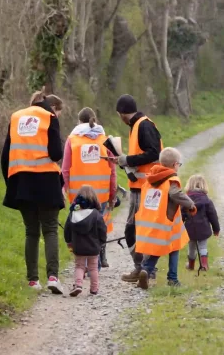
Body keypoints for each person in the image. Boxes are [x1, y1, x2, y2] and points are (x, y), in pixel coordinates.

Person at [0, 90, 66, 294]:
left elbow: (5, 156)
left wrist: (10, 182)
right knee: (50, 229)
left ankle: (32, 281)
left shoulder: (16, 117)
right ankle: (53, 277)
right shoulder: (49, 117)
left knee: (31, 232)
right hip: (47, 180)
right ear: (48, 104)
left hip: (22, 182)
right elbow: (56, 153)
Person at [113, 94, 163, 283]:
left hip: (147, 188)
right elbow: (143, 156)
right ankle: (141, 268)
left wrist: (128, 160)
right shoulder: (136, 126)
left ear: (121, 114)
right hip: (138, 187)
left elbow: (154, 153)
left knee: (138, 230)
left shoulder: (143, 125)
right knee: (133, 230)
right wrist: (124, 162)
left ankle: (146, 270)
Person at [61, 107, 117, 269]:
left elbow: (65, 170)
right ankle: (98, 262)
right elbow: (112, 171)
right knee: (100, 227)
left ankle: (84, 265)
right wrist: (113, 194)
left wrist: (63, 191)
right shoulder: (105, 140)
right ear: (95, 120)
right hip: (101, 195)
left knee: (81, 227)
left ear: (79, 121)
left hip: (79, 196)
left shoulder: (72, 140)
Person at [134, 147, 197, 289]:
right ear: (175, 164)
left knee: (159, 249)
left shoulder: (150, 178)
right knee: (173, 248)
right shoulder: (171, 180)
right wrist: (191, 205)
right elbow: (176, 194)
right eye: (179, 165)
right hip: (166, 223)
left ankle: (145, 271)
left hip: (151, 221)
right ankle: (172, 279)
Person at [64, 186, 108, 297]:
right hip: (93, 246)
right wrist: (102, 242)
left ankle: (78, 285)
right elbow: (102, 230)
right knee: (93, 267)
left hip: (78, 246)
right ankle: (94, 289)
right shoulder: (96, 215)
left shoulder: (73, 214)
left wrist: (69, 241)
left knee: (79, 266)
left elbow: (67, 229)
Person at [183, 175, 220, 271]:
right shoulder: (207, 201)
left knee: (191, 247)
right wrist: (216, 229)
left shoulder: (185, 200)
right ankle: (204, 265)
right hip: (203, 228)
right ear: (204, 185)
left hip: (189, 229)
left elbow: (181, 215)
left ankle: (191, 265)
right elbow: (213, 216)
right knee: (202, 246)